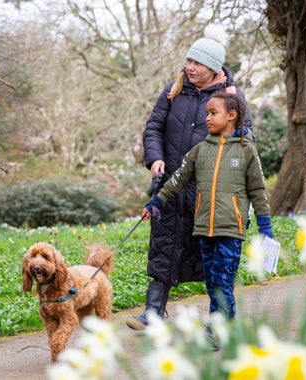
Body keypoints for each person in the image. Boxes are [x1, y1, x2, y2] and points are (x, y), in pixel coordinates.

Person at [126, 25, 253, 330]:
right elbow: (153, 127)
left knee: (213, 257)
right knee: (163, 244)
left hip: (208, 191)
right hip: (170, 184)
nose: (190, 67)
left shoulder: (231, 97)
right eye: (189, 61)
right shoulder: (173, 90)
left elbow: (245, 140)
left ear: (212, 68)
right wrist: (155, 158)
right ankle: (153, 313)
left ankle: (218, 322)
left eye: (197, 63)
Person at [140, 91, 273, 320]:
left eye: (213, 113)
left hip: (231, 229)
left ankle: (217, 328)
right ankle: (225, 324)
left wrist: (265, 225)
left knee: (222, 282)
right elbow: (177, 180)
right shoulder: (200, 150)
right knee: (212, 283)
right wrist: (157, 201)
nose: (207, 118)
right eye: (207, 113)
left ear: (231, 115)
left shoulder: (246, 149)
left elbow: (258, 190)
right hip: (203, 229)